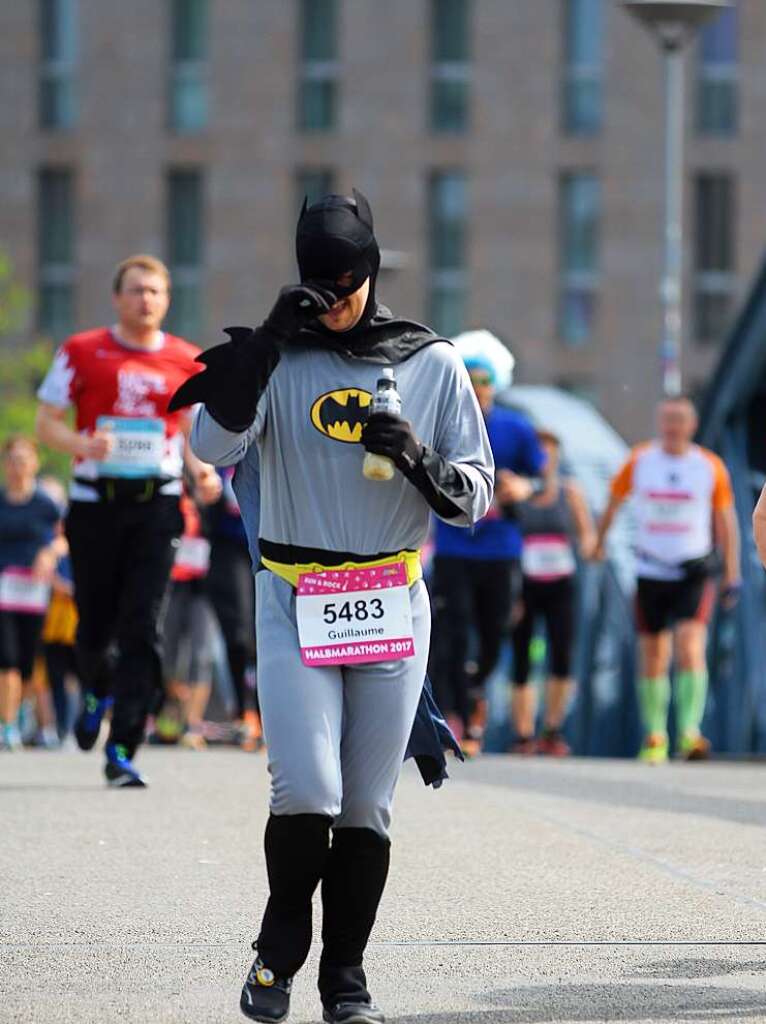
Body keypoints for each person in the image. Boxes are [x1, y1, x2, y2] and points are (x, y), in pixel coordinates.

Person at [171, 190, 493, 1024]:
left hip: (389, 597)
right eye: (320, 288)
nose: (336, 303)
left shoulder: (432, 362)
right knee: (306, 785)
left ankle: (344, 980)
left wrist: (419, 459)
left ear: (372, 275)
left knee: (364, 805)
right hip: (292, 592)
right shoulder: (279, 358)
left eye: (347, 286)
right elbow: (207, 450)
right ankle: (281, 947)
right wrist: (267, 348)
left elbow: (475, 498)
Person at [35, 253, 222, 786]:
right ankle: (96, 686)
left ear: (167, 301)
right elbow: (48, 423)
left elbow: (193, 436)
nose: (146, 300)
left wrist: (202, 474)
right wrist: (83, 443)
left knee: (143, 624)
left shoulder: (188, 359)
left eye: (155, 292)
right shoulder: (81, 351)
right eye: (136, 290)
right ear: (118, 297)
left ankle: (122, 749)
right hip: (95, 502)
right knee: (93, 624)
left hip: (158, 505)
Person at [594, 395, 740, 763]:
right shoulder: (640, 461)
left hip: (693, 568)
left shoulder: (708, 466)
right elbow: (612, 502)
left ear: (692, 425)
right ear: (660, 424)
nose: (673, 428)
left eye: (680, 420)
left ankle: (690, 732)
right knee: (655, 653)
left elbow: (726, 521)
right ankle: (655, 734)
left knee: (691, 647)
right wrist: (598, 543)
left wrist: (732, 572)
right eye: (667, 420)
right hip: (651, 569)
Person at [428, 336, 545, 755]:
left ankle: (476, 691)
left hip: (502, 550)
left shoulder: (516, 427)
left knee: (496, 632)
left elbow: (543, 480)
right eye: (469, 380)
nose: (477, 388)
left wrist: (523, 488)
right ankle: (461, 717)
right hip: (455, 548)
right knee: (454, 633)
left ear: (494, 386)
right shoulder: (444, 424)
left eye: (483, 381)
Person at [511, 430, 595, 755]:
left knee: (561, 655)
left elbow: (586, 537)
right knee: (524, 657)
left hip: (561, 584)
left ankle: (553, 728)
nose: (543, 461)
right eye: (538, 454)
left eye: (549, 455)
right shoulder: (516, 493)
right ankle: (523, 733)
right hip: (525, 585)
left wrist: (593, 547)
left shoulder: (569, 492)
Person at [0, 436, 61, 750]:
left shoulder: (45, 504)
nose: (18, 467)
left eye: (24, 460)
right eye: (12, 460)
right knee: (6, 660)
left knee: (26, 664)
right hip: (3, 590)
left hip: (34, 593)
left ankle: (19, 710)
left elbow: (63, 538)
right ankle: (7, 726)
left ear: (34, 464)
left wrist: (49, 553)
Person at [205, 466, 261, 750]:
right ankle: (242, 713)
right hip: (230, 548)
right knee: (238, 636)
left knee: (266, 634)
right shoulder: (222, 450)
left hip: (271, 547)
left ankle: (266, 718)